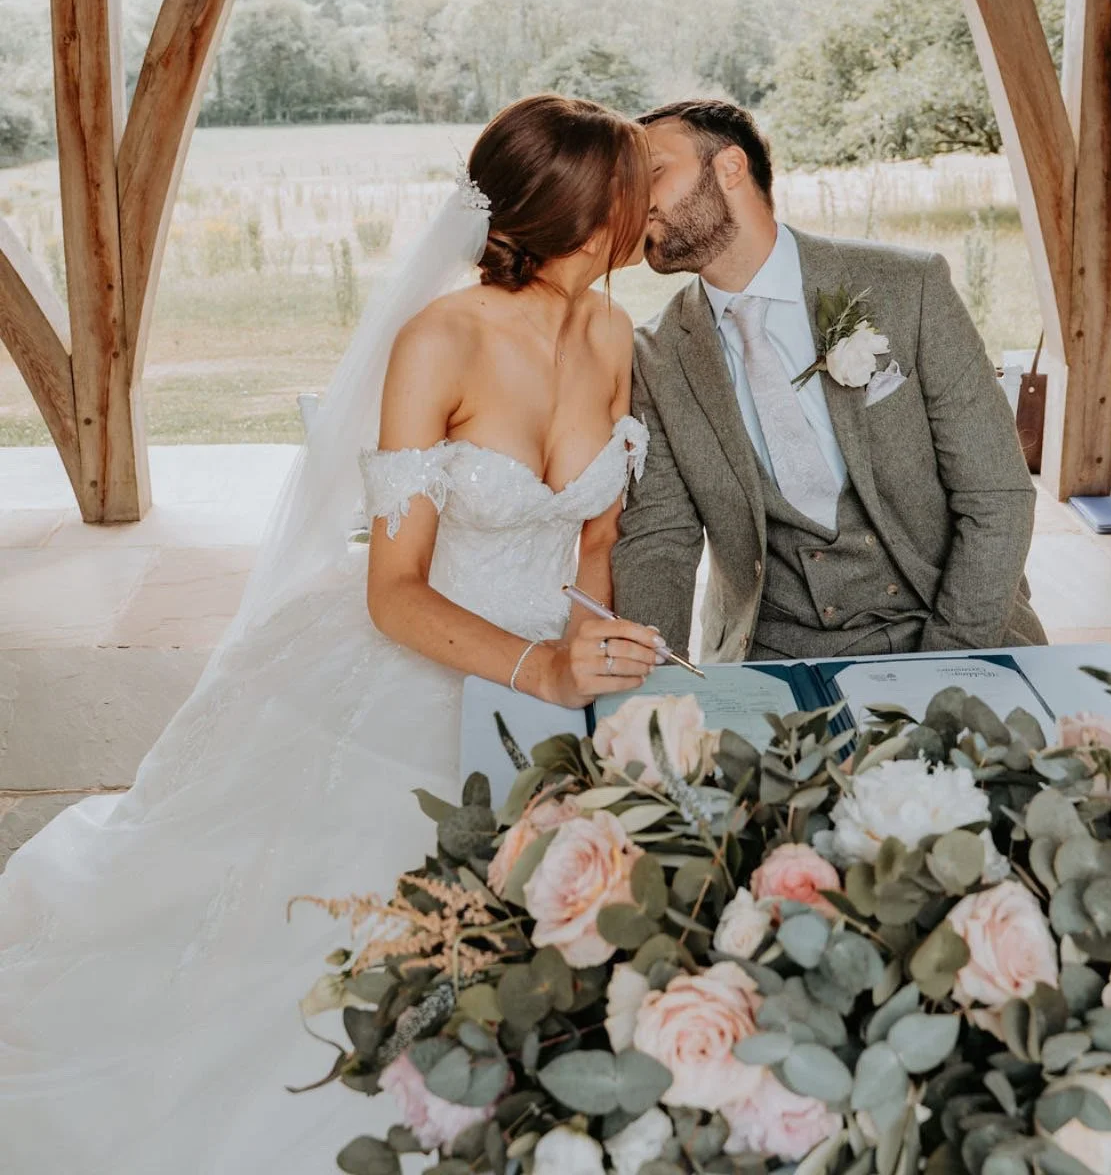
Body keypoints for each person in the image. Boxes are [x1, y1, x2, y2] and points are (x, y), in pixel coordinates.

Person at [0, 94, 661, 1174]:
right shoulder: (439, 338)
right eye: (634, 185)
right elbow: (393, 589)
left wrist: (597, 670)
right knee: (343, 942)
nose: (646, 207)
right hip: (426, 655)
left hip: (562, 665)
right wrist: (534, 667)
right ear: (588, 211)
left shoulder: (612, 329)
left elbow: (594, 544)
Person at [613, 99, 1044, 664]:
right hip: (770, 653)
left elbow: (997, 496)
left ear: (730, 168)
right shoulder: (655, 354)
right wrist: (654, 687)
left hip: (951, 627)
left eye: (654, 173)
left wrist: (948, 664)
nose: (632, 202)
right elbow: (658, 541)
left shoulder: (909, 287)